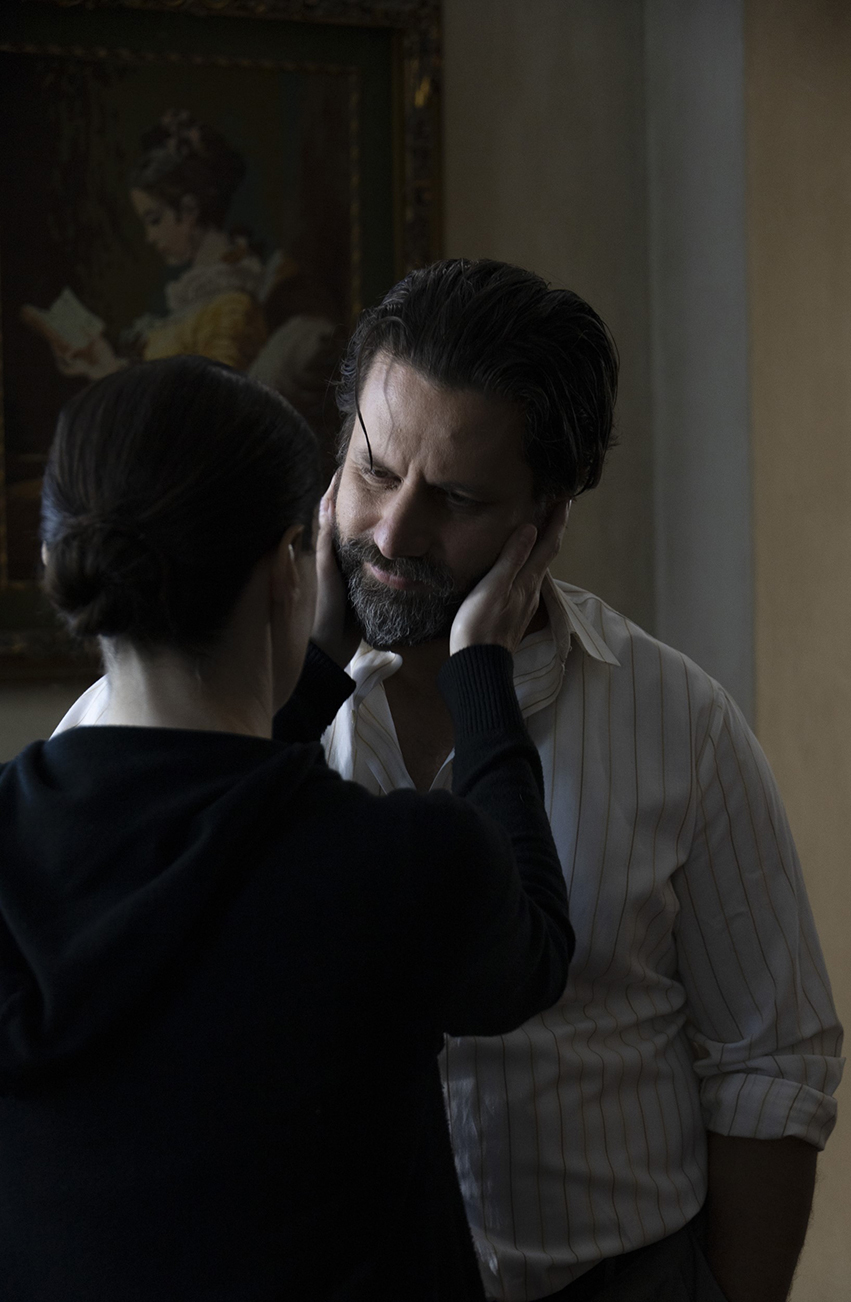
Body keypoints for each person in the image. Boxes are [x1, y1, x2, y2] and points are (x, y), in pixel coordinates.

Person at [55, 261, 844, 1302]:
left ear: (547, 512)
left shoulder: (681, 723)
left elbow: (770, 1063)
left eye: (457, 499)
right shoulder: (136, 730)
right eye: (375, 471)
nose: (393, 533)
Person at [0, 354, 575, 1301]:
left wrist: (306, 672)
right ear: (283, 571)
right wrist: (480, 675)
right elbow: (536, 955)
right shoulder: (399, 865)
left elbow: (211, 828)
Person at [33, 110, 337, 436]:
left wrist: (112, 373)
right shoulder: (202, 294)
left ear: (189, 211)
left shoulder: (232, 305)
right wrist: (104, 364)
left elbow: (210, 418)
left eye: (154, 220)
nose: (149, 237)